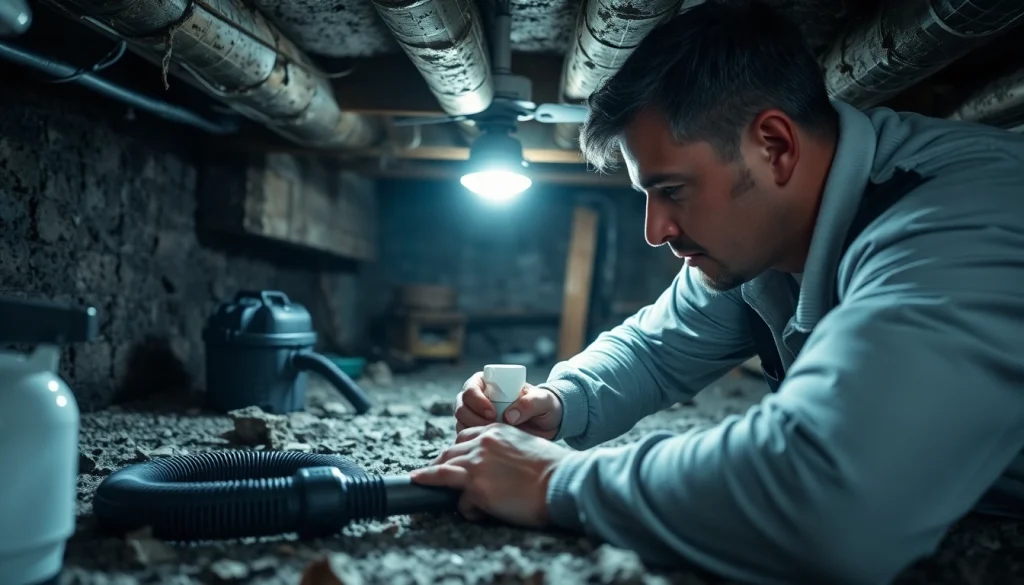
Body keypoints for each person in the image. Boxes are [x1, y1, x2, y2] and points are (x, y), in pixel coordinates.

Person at [409, 1, 1024, 583]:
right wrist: (557, 401)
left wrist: (557, 484)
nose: (655, 231)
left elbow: (829, 501)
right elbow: (653, 349)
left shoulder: (957, 219)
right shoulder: (767, 237)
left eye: (672, 190)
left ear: (775, 147)